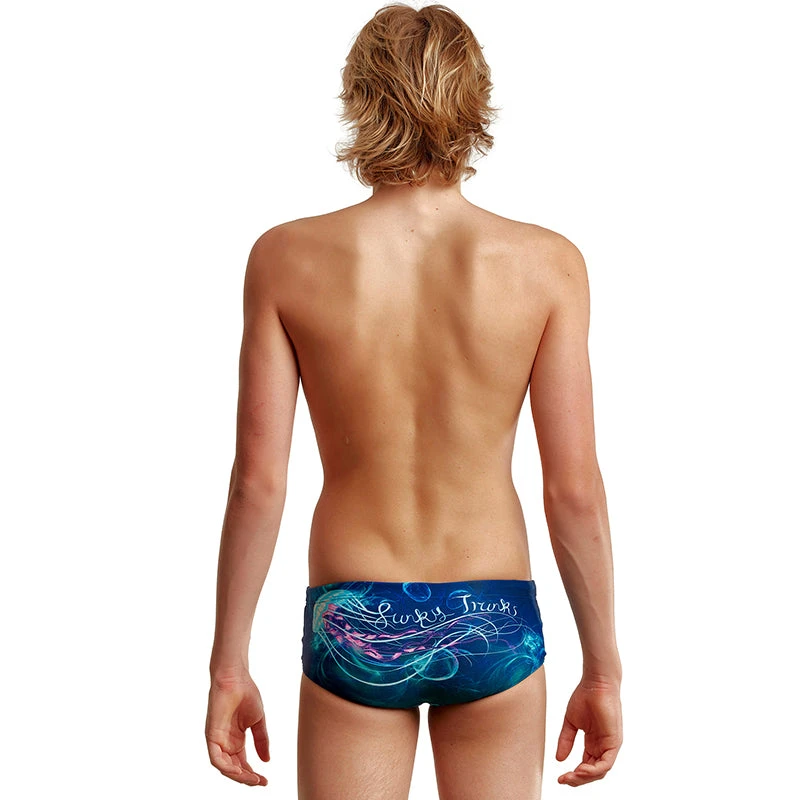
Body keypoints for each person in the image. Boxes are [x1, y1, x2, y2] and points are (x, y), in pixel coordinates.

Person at [205, 3, 622, 798]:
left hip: (353, 615)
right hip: (493, 613)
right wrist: (602, 670)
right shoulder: (547, 264)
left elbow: (257, 482)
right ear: (475, 98)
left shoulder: (286, 258)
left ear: (361, 97)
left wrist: (229, 665)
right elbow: (573, 490)